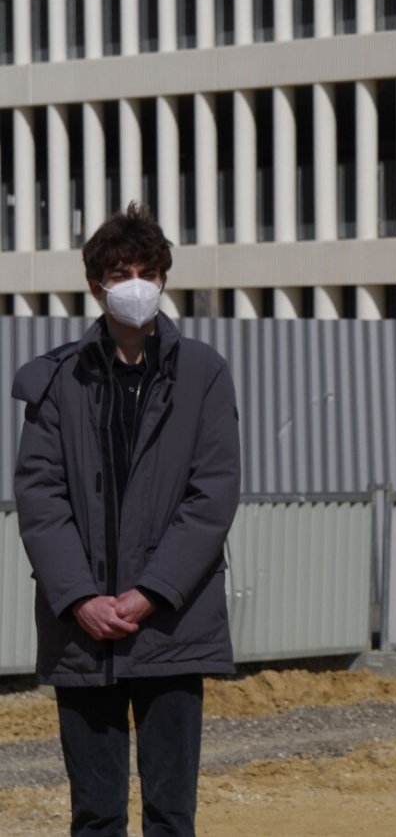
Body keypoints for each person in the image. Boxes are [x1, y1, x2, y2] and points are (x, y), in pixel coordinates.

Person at [12, 202, 241, 837]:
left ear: (164, 278)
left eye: (145, 270)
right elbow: (40, 495)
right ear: (95, 284)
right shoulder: (56, 379)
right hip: (83, 634)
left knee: (171, 812)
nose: (134, 284)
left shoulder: (203, 372)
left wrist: (149, 594)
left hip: (172, 623)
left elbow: (212, 495)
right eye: (119, 273)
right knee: (96, 813)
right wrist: (80, 596)